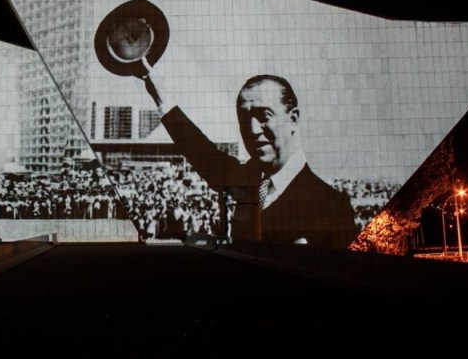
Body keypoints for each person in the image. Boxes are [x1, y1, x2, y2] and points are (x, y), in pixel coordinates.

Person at [139, 61, 356, 249]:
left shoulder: (330, 206)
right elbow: (199, 150)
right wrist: (158, 93)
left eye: (264, 115)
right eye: (244, 119)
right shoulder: (243, 178)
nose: (253, 130)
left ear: (293, 119)